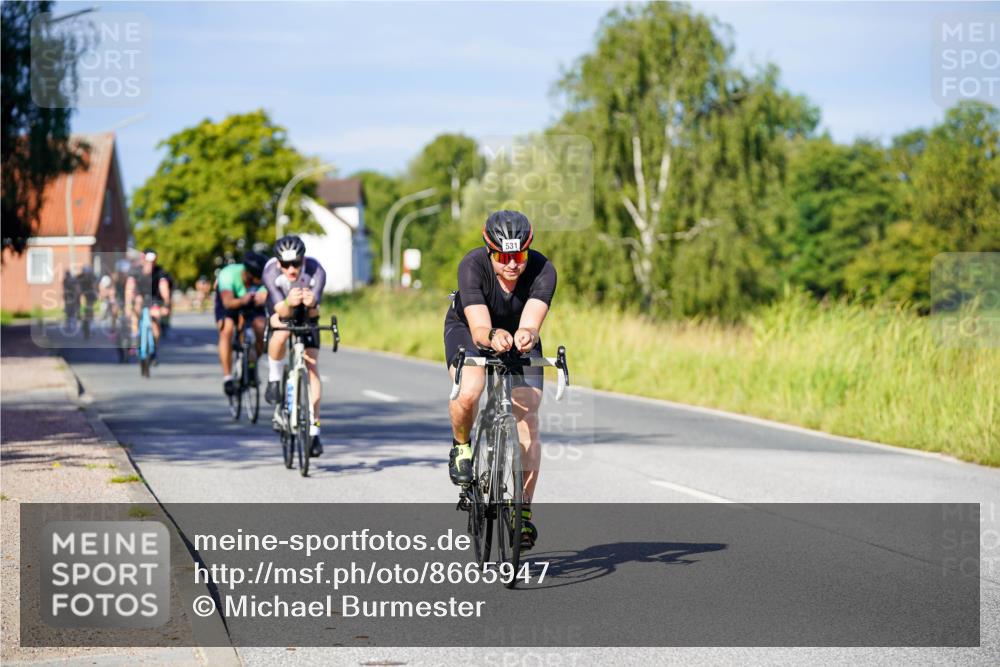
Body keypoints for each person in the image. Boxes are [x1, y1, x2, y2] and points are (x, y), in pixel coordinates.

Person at [443, 210, 557, 551]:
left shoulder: (543, 270)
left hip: (515, 334)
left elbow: (532, 322)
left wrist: (525, 334)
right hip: (470, 329)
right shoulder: (472, 266)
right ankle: (462, 446)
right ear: (489, 251)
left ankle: (521, 511)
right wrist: (493, 335)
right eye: (504, 257)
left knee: (529, 410)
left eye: (519, 256)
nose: (512, 265)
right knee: (471, 389)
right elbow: (479, 329)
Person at [262, 235, 327, 457]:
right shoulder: (270, 272)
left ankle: (314, 431)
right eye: (286, 264)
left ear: (303, 260)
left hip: (307, 314)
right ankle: (274, 378)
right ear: (278, 262)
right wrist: (290, 301)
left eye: (296, 263)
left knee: (311, 364)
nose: (291, 269)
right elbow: (280, 311)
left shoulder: (316, 270)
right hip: (282, 307)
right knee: (279, 332)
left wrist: (312, 304)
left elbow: (317, 312)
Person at [214, 251, 268, 396]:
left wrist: (260, 298)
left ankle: (251, 364)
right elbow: (227, 302)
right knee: (227, 329)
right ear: (248, 274)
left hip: (251, 303)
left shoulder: (262, 279)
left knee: (261, 326)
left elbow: (264, 296)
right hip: (229, 302)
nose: (257, 283)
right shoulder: (228, 274)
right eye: (255, 280)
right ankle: (228, 378)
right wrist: (243, 300)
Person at [125, 248, 171, 358]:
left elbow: (164, 288)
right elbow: (130, 287)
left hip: (154, 299)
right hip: (139, 297)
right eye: (148, 261)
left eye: (153, 261)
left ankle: (154, 347)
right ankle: (135, 337)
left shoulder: (160, 272)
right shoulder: (135, 271)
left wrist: (166, 305)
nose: (150, 264)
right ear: (143, 259)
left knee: (155, 322)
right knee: (136, 307)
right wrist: (128, 304)